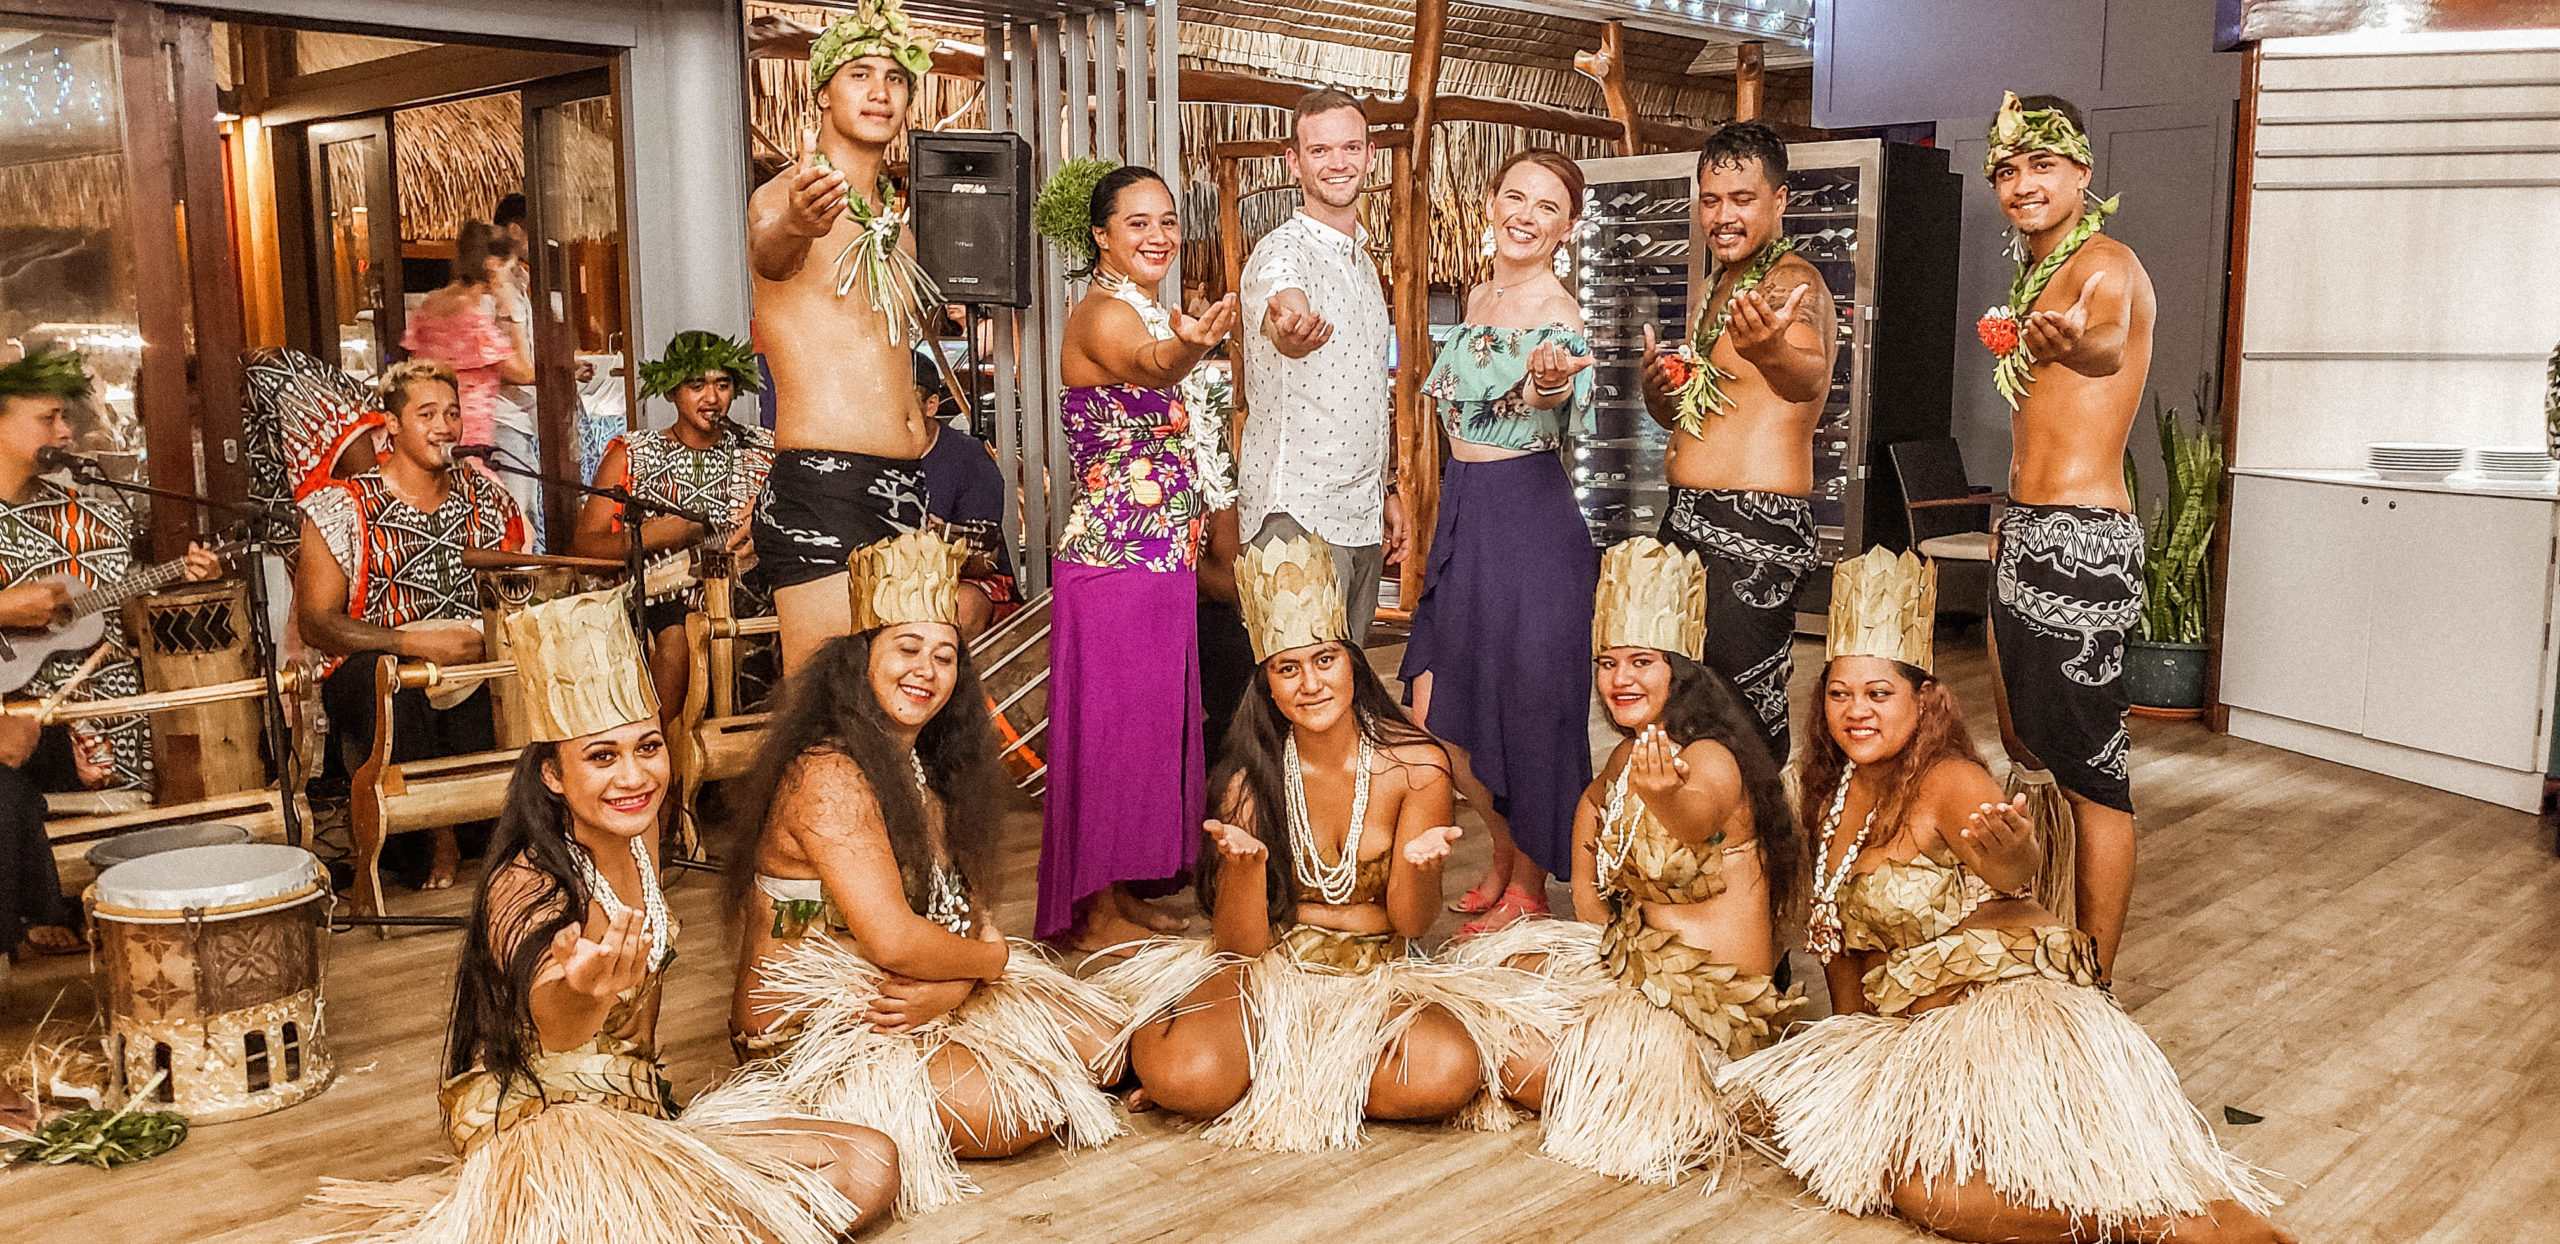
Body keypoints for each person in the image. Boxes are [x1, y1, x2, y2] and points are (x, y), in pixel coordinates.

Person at [1721, 548, 2289, 1244]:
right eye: (1840, 693)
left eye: (1878, 694)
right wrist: (1851, 1073)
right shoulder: (1825, 793)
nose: (1856, 712)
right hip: (1917, 1039)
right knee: (1841, 1149)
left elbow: (2015, 872)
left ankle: (2163, 1224)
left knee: (1921, 1188)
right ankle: (2149, 1219)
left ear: (1922, 698)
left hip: (2007, 1023)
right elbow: (1841, 948)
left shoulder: (1951, 778)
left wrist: (2015, 853)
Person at [307, 589, 898, 1244]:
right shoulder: (521, 880)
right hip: (546, 1130)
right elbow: (552, 1020)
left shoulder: (638, 835)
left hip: (637, 1109)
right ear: (553, 775)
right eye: (601, 756)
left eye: (648, 747)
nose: (634, 776)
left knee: (871, 1163)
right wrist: (584, 991)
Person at [684, 530, 1126, 1217]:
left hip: (912, 995)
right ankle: (787, 1128)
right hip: (815, 1030)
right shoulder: (827, 775)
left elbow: (961, 907)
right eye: (907, 649)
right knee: (1019, 1108)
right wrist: (990, 961)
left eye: (945, 656)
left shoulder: (924, 769)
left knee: (1106, 1049)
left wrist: (954, 986)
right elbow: (896, 942)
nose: (927, 670)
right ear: (861, 660)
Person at [1101, 533, 1556, 1151]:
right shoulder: (1247, 780)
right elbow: (1240, 945)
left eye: (1325, 660)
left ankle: (1287, 1071)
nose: (1311, 684)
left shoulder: (1414, 768)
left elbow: (1410, 922)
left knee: (1445, 1072)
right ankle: (1223, 1057)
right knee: (1189, 1077)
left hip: (1375, 976)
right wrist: (1245, 871)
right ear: (1266, 684)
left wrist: (1422, 870)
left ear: (1352, 661)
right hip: (1272, 968)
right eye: (1288, 668)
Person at [1452, 536, 1801, 1184]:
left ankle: (1694, 1099)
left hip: (1696, 1014)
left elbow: (1696, 816)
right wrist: (1585, 892)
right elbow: (1592, 801)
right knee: (1495, 980)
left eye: (1642, 660)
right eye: (1608, 663)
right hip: (1634, 972)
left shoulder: (1713, 759)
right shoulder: (1630, 755)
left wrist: (1669, 799)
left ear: (1681, 668)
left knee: (1497, 1050)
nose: (1620, 678)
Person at [1026, 159, 1237, 949]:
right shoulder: (1101, 316)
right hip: (1115, 559)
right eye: (1137, 222)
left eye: (1167, 220)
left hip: (1161, 559)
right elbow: (1150, 367)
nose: (1158, 235)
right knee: (1110, 739)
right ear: (1101, 236)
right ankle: (1091, 912)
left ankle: (1116, 896)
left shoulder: (1149, 309)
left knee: (1143, 736)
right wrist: (1186, 351)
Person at [1976, 92, 2158, 978]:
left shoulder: (2106, 264)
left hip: (2083, 543)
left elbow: (2106, 344)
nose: (2022, 185)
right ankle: (2050, 946)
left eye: (2041, 166)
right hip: (2024, 532)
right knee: (2029, 748)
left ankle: (2096, 988)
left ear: (2082, 171)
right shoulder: (2031, 279)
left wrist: (2070, 341)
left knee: (2094, 776)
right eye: (2007, 171)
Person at [1399, 148, 1598, 935]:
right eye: (1515, 196)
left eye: (1547, 206)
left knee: (1529, 708)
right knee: (1436, 715)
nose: (1526, 214)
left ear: (1567, 227)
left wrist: (1550, 380)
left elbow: (1555, 393)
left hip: (1530, 522)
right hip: (1466, 511)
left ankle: (1530, 881)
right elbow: (1448, 423)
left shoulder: (1562, 314)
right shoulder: (1480, 294)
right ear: (1490, 202)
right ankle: (1504, 854)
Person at [0, 348, 218, 959]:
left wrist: (177, 576)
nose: (65, 431)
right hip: (13, 706)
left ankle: (124, 902)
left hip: (93, 684)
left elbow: (109, 599)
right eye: (48, 418)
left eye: (67, 417)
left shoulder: (84, 511)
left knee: (129, 709)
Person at [748, 2, 945, 671]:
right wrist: (801, 221)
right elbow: (771, 253)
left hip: (906, 483)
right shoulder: (787, 198)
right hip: (824, 486)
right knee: (826, 715)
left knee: (897, 712)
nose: (880, 91)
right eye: (860, 74)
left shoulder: (898, 228)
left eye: (895, 77)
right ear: (824, 91)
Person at [1636, 120, 1839, 766]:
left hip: (1750, 534)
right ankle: (1699, 860)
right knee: (1682, 713)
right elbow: (1684, 417)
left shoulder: (1789, 284)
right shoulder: (1719, 288)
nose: (1722, 216)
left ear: (1779, 201)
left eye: (1742, 199)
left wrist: (1773, 346)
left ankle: (1756, 862)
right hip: (1688, 523)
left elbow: (1807, 375)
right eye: (1710, 200)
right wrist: (1657, 391)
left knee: (1740, 724)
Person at [298, 359, 530, 890]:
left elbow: (517, 587)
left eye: (453, 413)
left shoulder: (488, 498)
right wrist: (412, 643)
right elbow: (316, 623)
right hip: (374, 669)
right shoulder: (341, 506)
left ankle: (515, 825)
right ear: (393, 425)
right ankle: (436, 837)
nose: (445, 426)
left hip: (472, 663)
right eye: (427, 414)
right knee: (390, 680)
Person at [1235, 87, 1404, 646]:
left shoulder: (1363, 263)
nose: (1337, 163)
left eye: (1350, 148)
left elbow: (1369, 390)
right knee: (1298, 695)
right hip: (1297, 515)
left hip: (1359, 512)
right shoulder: (1281, 252)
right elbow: (1285, 313)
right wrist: (1291, 332)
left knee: (1343, 699)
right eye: (1320, 150)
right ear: (1294, 161)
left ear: (1369, 154)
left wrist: (1388, 489)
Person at [568, 331, 774, 733]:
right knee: (678, 631)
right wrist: (664, 533)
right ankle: (657, 748)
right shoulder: (632, 454)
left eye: (723, 384)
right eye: (697, 385)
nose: (712, 398)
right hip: (657, 599)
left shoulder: (762, 449)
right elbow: (587, 547)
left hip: (750, 598)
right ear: (671, 392)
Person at [402, 221, 536, 508]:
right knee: (518, 530)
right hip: (472, 447)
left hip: (435, 443)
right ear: (491, 267)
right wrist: (512, 310)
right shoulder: (473, 322)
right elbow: (524, 372)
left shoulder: (428, 309)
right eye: (508, 267)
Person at [911, 350, 1016, 639]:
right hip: (888, 577)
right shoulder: (867, 456)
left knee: (959, 608)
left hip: (964, 578)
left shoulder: (968, 458)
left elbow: (985, 560)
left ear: (931, 405)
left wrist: (941, 542)